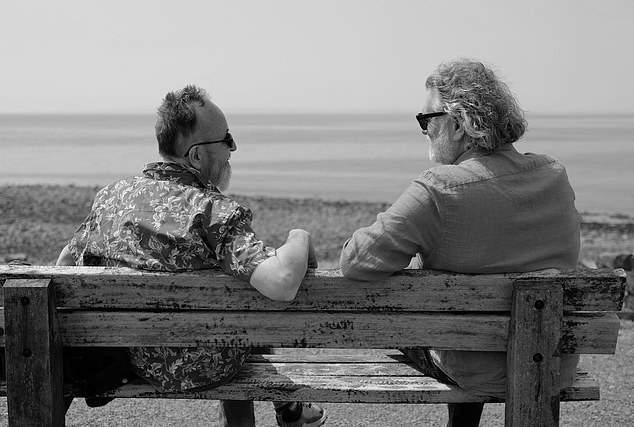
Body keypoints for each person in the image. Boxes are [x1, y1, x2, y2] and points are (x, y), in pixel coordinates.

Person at [56, 85, 327, 427]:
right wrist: (299, 236)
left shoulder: (111, 197)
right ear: (197, 156)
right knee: (247, 309)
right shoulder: (213, 212)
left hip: (123, 358)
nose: (232, 150)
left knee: (236, 300)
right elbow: (282, 282)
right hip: (201, 366)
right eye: (227, 140)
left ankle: (292, 409)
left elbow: (66, 262)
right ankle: (291, 409)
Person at [339, 58, 581, 427]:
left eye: (426, 120)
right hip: (552, 362)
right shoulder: (554, 174)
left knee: (442, 321)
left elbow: (356, 261)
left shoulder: (439, 189)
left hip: (471, 368)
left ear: (456, 123)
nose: (423, 131)